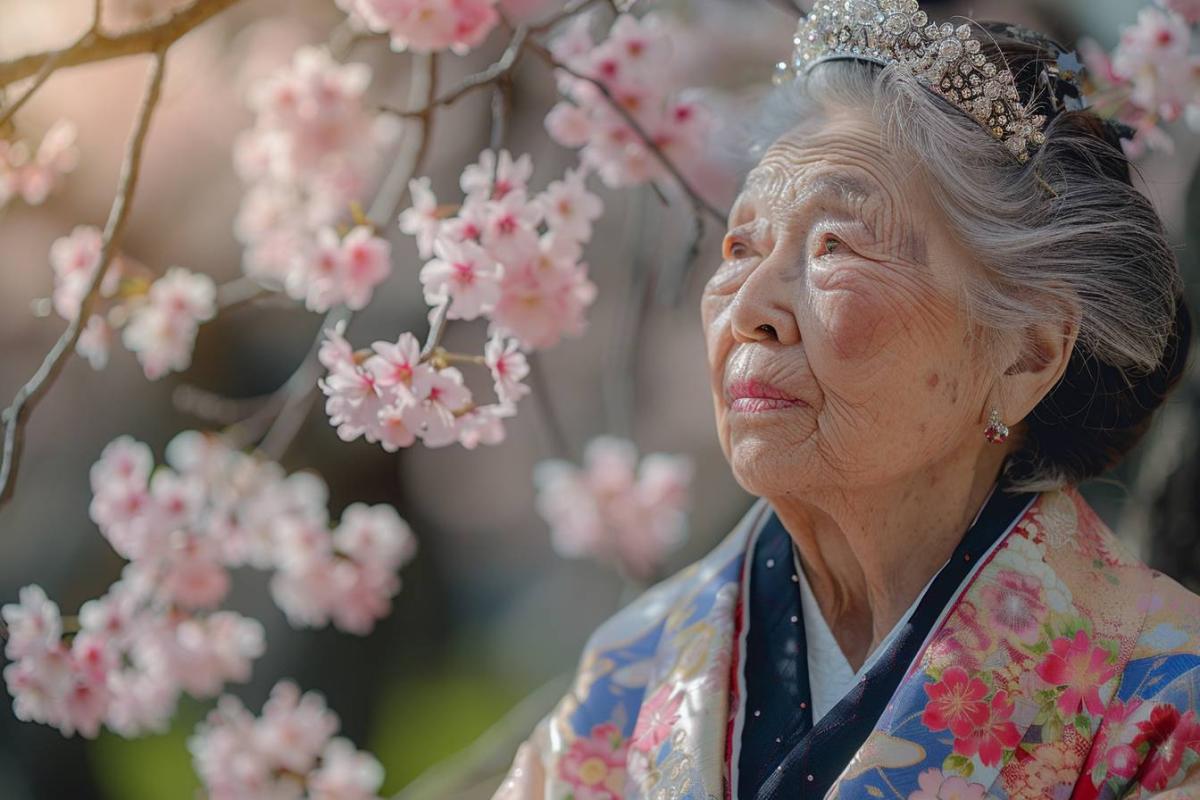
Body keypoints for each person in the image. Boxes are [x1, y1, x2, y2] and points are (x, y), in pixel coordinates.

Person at [495, 2, 1200, 797]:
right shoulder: (626, 681)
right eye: (741, 247)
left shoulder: (1165, 704)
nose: (749, 307)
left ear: (1026, 353)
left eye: (836, 246)